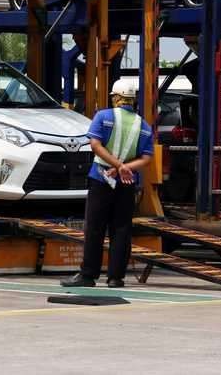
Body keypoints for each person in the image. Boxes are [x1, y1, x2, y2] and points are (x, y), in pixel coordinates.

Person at [62, 81, 154, 288]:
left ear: (116, 97)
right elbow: (146, 158)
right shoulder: (144, 126)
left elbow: (95, 145)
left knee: (94, 227)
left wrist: (117, 165)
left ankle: (88, 275)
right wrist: (125, 168)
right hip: (127, 182)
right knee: (121, 228)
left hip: (101, 177)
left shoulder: (103, 116)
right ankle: (116, 277)